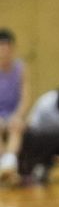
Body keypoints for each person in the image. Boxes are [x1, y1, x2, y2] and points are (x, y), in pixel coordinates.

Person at [0, 28, 28, 181]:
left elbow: (25, 97)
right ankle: (5, 164)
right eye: (1, 49)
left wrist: (18, 115)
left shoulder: (20, 68)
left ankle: (8, 164)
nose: (5, 53)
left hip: (13, 112)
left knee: (16, 126)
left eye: (8, 49)